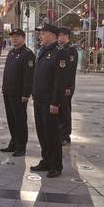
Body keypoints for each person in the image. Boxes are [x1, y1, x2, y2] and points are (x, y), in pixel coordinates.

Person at [30, 24, 68, 178]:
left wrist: (55, 102)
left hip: (50, 101)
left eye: (44, 33)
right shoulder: (43, 52)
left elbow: (60, 81)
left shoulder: (60, 53)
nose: (41, 36)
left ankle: (56, 165)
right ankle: (46, 160)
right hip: (39, 99)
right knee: (42, 132)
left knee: (52, 134)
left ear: (53, 35)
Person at [0, 29, 35, 157]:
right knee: (11, 119)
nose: (14, 39)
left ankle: (21, 146)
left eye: (17, 37)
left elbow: (29, 76)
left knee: (20, 120)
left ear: (23, 38)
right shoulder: (11, 52)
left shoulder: (28, 54)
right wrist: (4, 88)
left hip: (19, 94)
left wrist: (26, 93)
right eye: (13, 37)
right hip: (8, 91)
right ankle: (13, 143)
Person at [58, 27, 78, 145]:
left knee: (65, 110)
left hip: (67, 86)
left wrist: (68, 87)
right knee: (60, 110)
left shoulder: (71, 51)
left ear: (66, 36)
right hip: (60, 85)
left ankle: (65, 136)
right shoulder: (60, 49)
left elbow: (70, 70)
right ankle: (60, 133)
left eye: (60, 35)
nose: (58, 37)